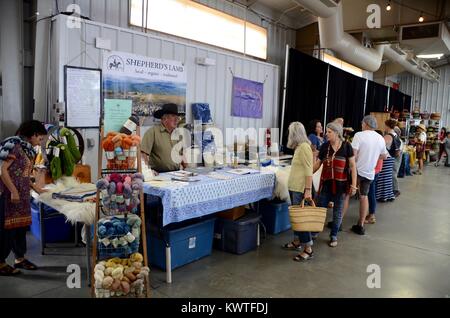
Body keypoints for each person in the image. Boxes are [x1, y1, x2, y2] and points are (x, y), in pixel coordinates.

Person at [0, 120, 47, 276]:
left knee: (20, 228)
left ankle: (20, 258)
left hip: (22, 196)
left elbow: (25, 175)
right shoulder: (13, 144)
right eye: (39, 139)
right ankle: (0, 262)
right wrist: (13, 191)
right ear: (33, 135)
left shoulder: (27, 150)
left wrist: (37, 189)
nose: (39, 143)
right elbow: (2, 169)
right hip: (8, 195)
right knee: (7, 229)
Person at [314, 122, 357, 247]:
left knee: (338, 212)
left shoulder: (346, 146)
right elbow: (318, 164)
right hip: (326, 185)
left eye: (329, 132)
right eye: (326, 131)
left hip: (341, 186)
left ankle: (333, 235)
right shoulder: (325, 147)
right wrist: (308, 174)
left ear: (337, 133)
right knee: (320, 209)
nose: (326, 134)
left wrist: (354, 185)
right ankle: (315, 231)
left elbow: (353, 166)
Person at [351, 115, 388, 235]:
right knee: (364, 196)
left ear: (366, 124)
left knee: (346, 195)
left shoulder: (359, 135)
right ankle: (360, 224)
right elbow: (385, 156)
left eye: (362, 123)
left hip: (356, 171)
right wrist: (373, 156)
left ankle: (338, 223)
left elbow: (354, 155)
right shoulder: (380, 138)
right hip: (369, 172)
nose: (361, 125)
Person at [282, 122, 314, 261]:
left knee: (301, 220)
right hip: (295, 187)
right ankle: (297, 241)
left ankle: (308, 248)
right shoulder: (299, 147)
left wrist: (307, 190)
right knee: (296, 218)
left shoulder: (304, 148)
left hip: (300, 189)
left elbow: (309, 171)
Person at [141, 103, 184, 173]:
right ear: (164, 118)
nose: (177, 119)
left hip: (177, 174)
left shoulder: (178, 134)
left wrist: (187, 170)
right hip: (159, 175)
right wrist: (148, 171)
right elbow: (143, 154)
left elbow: (182, 155)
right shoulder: (152, 132)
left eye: (177, 116)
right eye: (173, 116)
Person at [384, 119, 402, 197]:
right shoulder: (395, 134)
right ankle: (393, 189)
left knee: (393, 173)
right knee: (393, 172)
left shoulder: (389, 135)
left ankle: (396, 190)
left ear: (387, 126)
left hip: (394, 156)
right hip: (396, 155)